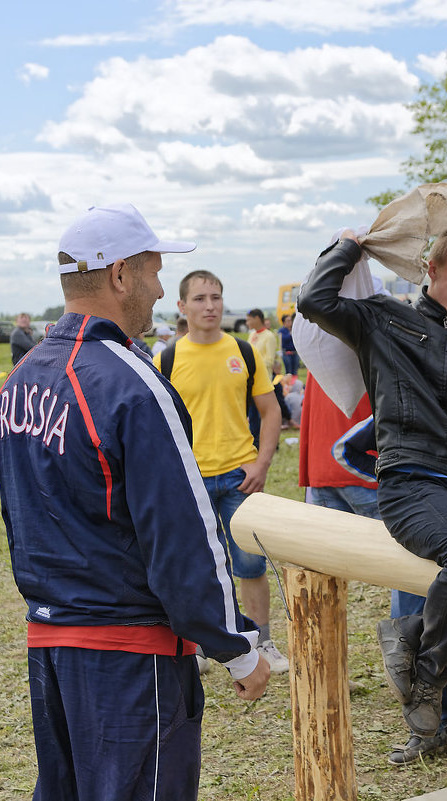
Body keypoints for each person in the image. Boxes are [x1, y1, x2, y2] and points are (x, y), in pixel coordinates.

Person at [0, 203, 270, 800]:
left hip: (51, 644)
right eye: (153, 270)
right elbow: (183, 539)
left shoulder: (18, 381)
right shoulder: (133, 385)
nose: (162, 288)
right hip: (129, 653)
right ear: (119, 275)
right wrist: (237, 647)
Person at [299, 225, 447, 761]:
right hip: (412, 484)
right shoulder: (382, 318)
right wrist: (349, 246)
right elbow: (314, 300)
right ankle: (427, 680)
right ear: (432, 270)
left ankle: (413, 632)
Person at [156, 271, 288, 674]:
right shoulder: (167, 357)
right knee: (195, 567)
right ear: (182, 307)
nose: (209, 305)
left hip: (239, 478)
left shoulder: (244, 352)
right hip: (190, 482)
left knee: (250, 565)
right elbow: (157, 422)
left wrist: (261, 463)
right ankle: (198, 646)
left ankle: (263, 641)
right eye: (199, 299)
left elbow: (270, 411)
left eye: (215, 297)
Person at [246, 309, 292, 431]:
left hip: (264, 379)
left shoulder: (269, 336)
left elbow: (269, 360)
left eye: (249, 319)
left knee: (263, 414)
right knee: (253, 415)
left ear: (256, 318)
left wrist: (252, 363)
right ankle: (256, 443)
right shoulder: (252, 335)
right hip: (251, 379)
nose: (247, 322)